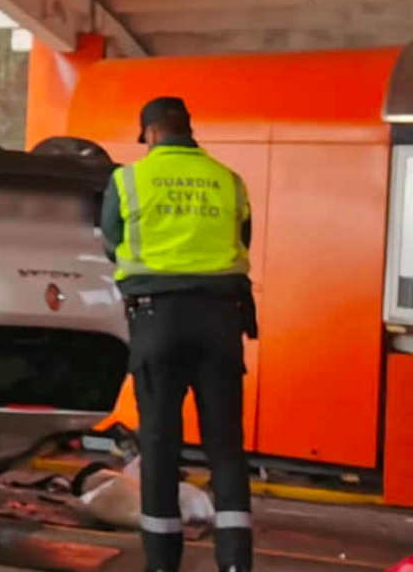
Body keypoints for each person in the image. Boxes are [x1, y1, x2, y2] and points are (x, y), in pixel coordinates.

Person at [100, 96, 258, 572]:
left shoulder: (128, 180)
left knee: (160, 445)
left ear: (149, 134)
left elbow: (111, 243)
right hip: (221, 320)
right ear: (189, 129)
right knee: (226, 446)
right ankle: (234, 564)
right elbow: (241, 242)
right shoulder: (229, 181)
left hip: (156, 320)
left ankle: (163, 564)